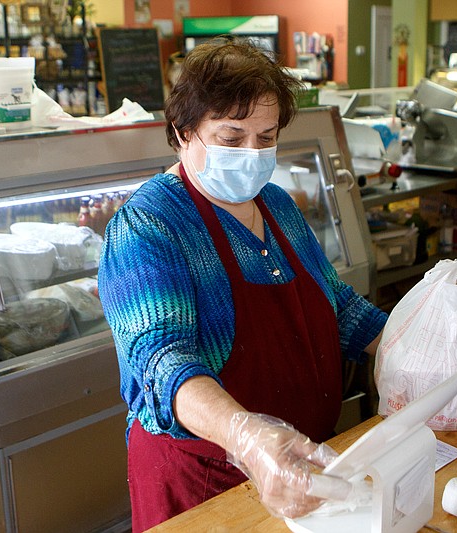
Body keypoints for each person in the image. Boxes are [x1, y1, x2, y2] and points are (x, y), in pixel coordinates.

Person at [98, 37, 387, 531]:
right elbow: (160, 360)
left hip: (302, 467)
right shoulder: (148, 225)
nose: (252, 154)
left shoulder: (277, 205)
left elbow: (339, 308)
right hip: (204, 483)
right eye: (232, 139)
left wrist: (409, 344)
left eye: (267, 137)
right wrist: (247, 435)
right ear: (183, 132)